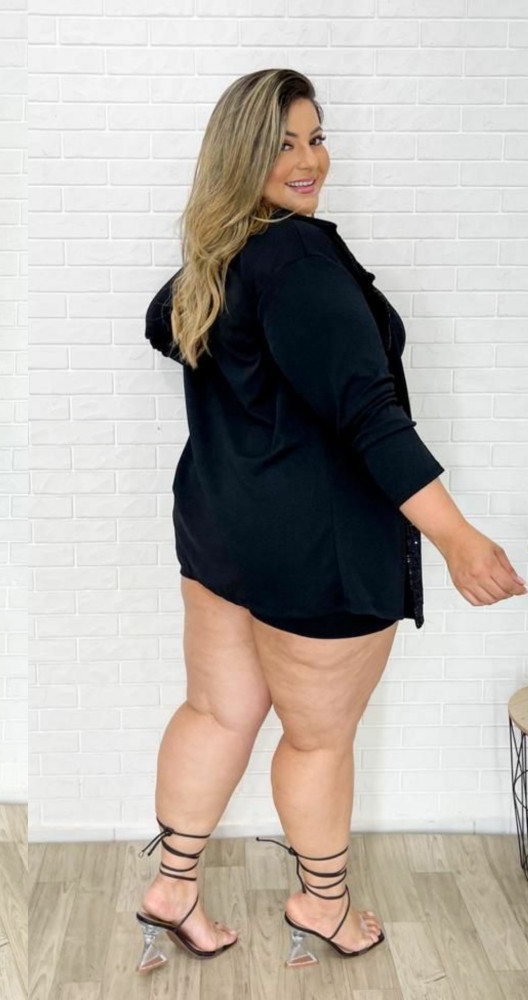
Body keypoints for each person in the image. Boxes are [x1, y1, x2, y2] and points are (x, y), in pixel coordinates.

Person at [135, 68, 525, 973]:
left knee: (215, 712)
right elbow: (371, 418)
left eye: (315, 138)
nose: (309, 160)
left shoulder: (221, 255)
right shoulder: (298, 262)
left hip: (222, 530)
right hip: (316, 553)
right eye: (283, 144)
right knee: (317, 740)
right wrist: (457, 537)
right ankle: (324, 906)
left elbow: (165, 324)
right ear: (240, 157)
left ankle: (172, 889)